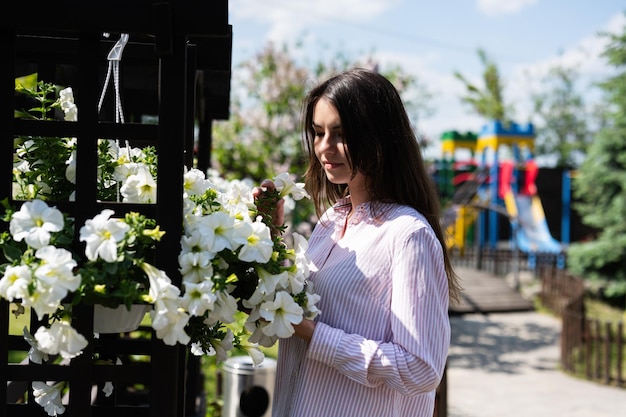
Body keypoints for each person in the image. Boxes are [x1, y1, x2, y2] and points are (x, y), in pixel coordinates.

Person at [255, 68, 461, 417]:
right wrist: (271, 235)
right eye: (318, 133)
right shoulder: (334, 219)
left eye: (340, 134)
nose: (323, 147)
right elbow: (307, 301)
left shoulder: (408, 235)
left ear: (378, 136)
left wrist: (315, 335)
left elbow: (421, 368)